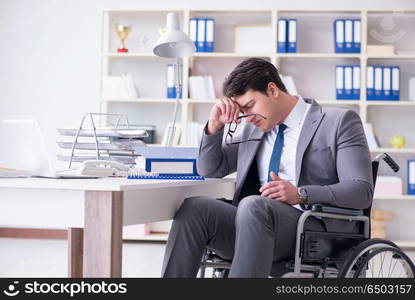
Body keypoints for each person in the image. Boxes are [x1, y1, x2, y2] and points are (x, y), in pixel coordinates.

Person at [161, 58, 373, 278]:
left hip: (311, 229)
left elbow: (361, 191)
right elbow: (210, 169)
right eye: (241, 110)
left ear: (272, 90)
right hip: (254, 225)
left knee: (254, 205)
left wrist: (301, 194)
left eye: (250, 105)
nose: (247, 117)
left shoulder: (338, 121)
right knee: (194, 208)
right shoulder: (254, 130)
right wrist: (214, 126)